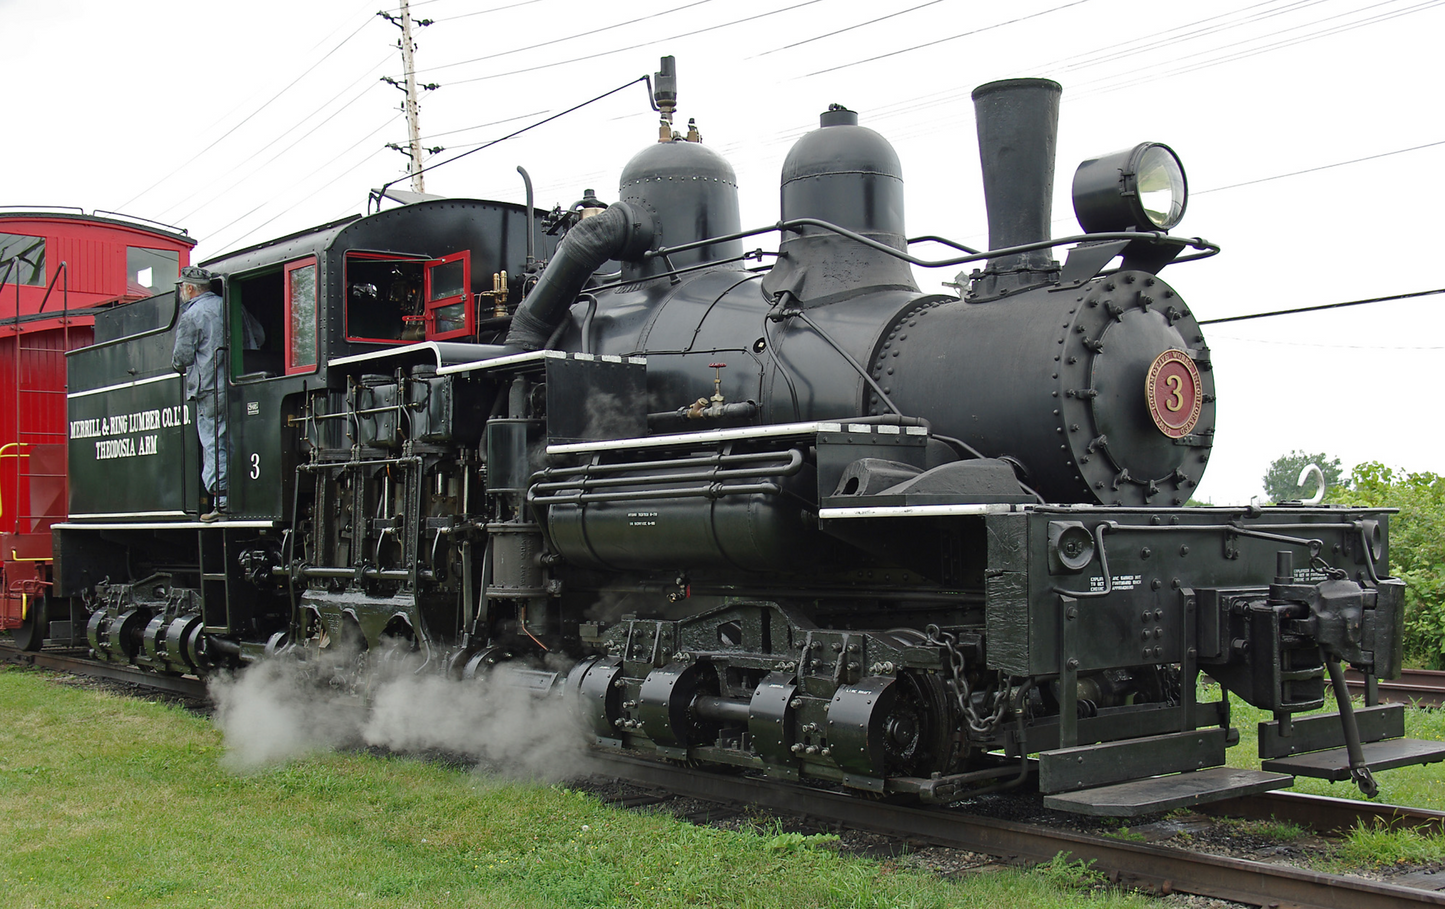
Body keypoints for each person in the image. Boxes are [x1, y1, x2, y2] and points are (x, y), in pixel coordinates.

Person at [172, 266, 229, 521]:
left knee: (214, 442)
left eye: (183, 288)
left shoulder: (192, 314)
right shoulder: (229, 307)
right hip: (239, 385)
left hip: (209, 388)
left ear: (190, 289)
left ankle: (223, 501)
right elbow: (257, 335)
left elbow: (181, 358)